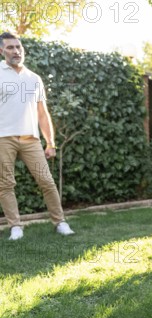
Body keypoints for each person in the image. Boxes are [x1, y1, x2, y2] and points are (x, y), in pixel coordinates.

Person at [0, 32, 74, 240]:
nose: (16, 51)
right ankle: (15, 226)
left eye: (18, 47)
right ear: (2, 51)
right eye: (11, 47)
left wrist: (50, 142)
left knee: (47, 181)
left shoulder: (34, 78)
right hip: (3, 138)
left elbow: (42, 113)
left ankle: (60, 222)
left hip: (30, 139)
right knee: (5, 184)